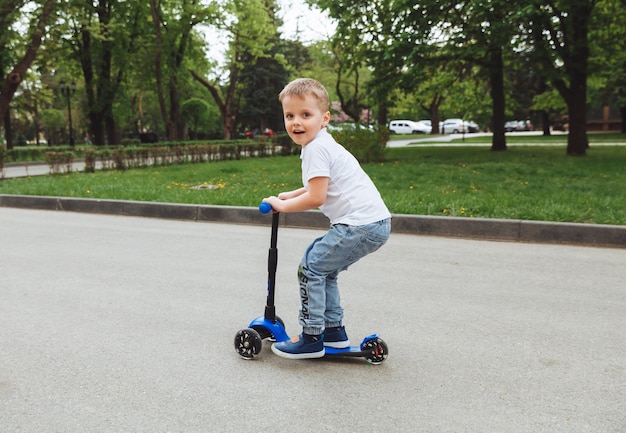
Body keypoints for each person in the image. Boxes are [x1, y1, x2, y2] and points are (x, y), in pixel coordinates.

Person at [262, 78, 391, 360]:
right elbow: (317, 186)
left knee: (310, 268)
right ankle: (334, 333)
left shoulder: (315, 149)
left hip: (359, 225)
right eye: (290, 115)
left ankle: (311, 337)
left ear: (325, 118)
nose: (297, 122)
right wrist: (289, 195)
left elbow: (316, 197)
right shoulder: (323, 143)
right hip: (373, 224)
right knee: (324, 269)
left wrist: (280, 207)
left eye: (306, 115)